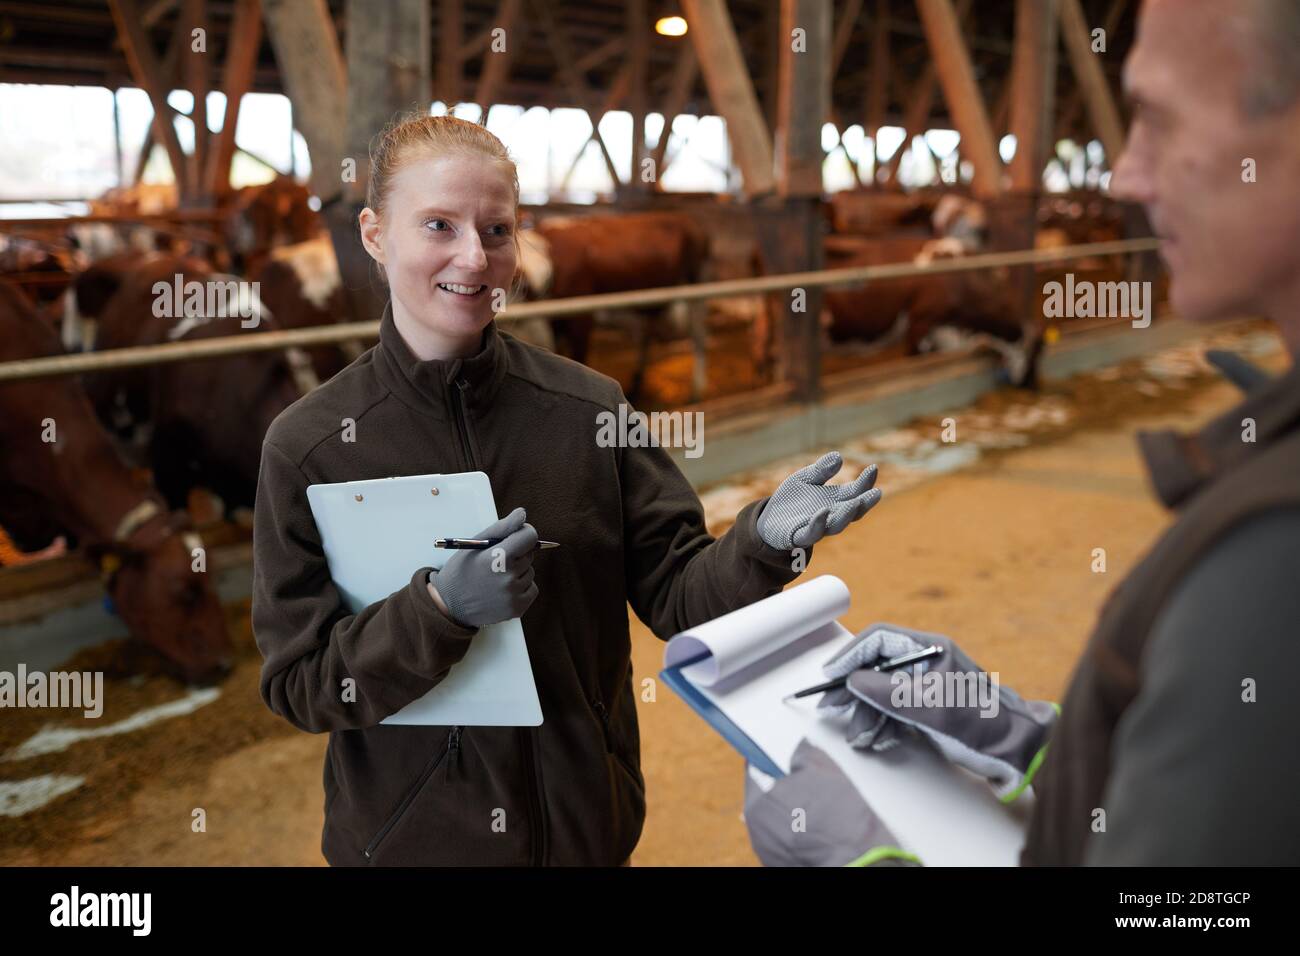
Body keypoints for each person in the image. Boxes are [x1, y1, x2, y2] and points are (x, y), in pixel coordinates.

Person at [745, 0, 1300, 866]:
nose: (1126, 178)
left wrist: (879, 864)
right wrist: (1032, 742)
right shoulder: (1265, 468)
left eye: (1156, 117)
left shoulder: (1275, 541)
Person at [251, 113, 883, 866]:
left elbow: (676, 592)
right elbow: (303, 684)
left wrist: (761, 543)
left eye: (496, 230)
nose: (472, 257)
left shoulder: (588, 410)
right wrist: (438, 611)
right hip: (410, 842)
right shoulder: (310, 447)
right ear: (375, 234)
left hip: (584, 830)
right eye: (438, 225)